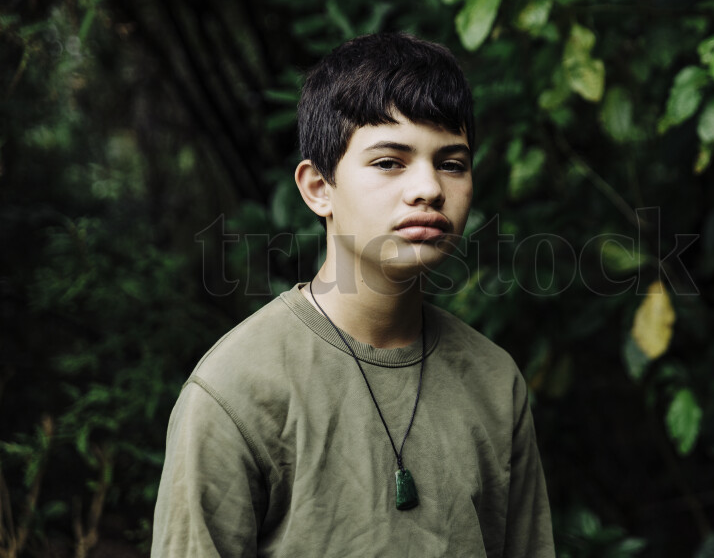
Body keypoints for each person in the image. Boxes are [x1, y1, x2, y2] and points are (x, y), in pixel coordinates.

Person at [151, 32, 554, 557]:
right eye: (390, 162)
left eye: (452, 163)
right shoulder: (236, 390)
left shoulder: (495, 380)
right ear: (318, 188)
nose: (429, 188)